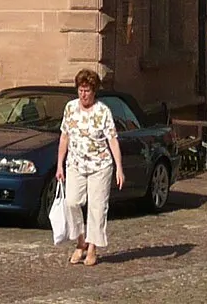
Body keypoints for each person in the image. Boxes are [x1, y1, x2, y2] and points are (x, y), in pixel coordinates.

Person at [57, 69, 124, 266]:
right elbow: (64, 136)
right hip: (75, 164)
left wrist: (119, 167)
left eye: (87, 90)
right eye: (80, 90)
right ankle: (80, 241)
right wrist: (59, 164)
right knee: (72, 201)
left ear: (94, 91)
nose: (83, 94)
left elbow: (112, 139)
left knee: (97, 207)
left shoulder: (103, 111)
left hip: (100, 165)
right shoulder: (70, 108)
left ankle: (92, 247)